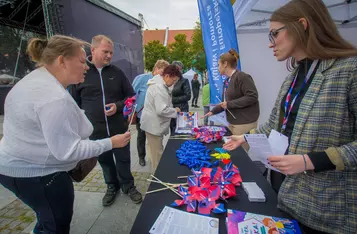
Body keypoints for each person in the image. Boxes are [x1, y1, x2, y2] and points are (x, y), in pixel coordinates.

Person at [223, 0, 357, 233]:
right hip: (285, 195)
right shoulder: (293, 76)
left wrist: (310, 161)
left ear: (302, 25)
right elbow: (275, 125)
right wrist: (244, 138)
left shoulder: (349, 70)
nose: (270, 44)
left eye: (274, 34)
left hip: (326, 209)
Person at [0, 35, 131, 234]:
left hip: (17, 167)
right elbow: (68, 151)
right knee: (55, 225)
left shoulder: (35, 82)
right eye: (81, 61)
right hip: (38, 174)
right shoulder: (53, 97)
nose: (86, 67)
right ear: (62, 61)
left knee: (47, 220)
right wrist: (111, 142)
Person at [69, 35, 142, 206]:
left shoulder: (117, 73)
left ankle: (128, 186)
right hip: (96, 130)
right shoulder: (82, 73)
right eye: (105, 52)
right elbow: (74, 104)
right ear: (93, 50)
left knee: (123, 159)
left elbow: (131, 96)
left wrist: (118, 106)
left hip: (118, 127)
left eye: (111, 52)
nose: (109, 56)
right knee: (105, 161)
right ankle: (112, 186)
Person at [204, 49, 260, 141]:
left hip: (244, 123)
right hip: (232, 123)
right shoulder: (227, 81)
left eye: (218, 65)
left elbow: (252, 96)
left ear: (225, 64)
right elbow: (225, 103)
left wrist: (229, 104)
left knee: (241, 152)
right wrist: (213, 111)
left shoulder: (242, 77)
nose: (218, 68)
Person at [140, 65, 181, 172]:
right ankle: (157, 176)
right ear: (167, 76)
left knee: (152, 152)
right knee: (157, 155)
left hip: (151, 125)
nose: (174, 83)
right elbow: (161, 110)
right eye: (174, 80)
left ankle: (154, 170)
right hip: (154, 126)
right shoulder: (159, 88)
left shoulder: (158, 84)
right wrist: (175, 111)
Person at [132, 60, 169, 167]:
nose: (163, 76)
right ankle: (141, 157)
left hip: (155, 117)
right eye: (162, 73)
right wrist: (133, 108)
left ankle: (154, 156)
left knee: (154, 137)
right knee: (141, 136)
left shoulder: (162, 81)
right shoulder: (142, 78)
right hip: (141, 115)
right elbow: (132, 93)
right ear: (156, 68)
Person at [170, 61, 191, 135]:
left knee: (181, 129)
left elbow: (188, 96)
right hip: (171, 108)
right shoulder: (169, 80)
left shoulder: (184, 81)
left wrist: (173, 100)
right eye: (177, 68)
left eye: (180, 69)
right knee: (172, 129)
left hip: (182, 108)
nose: (179, 70)